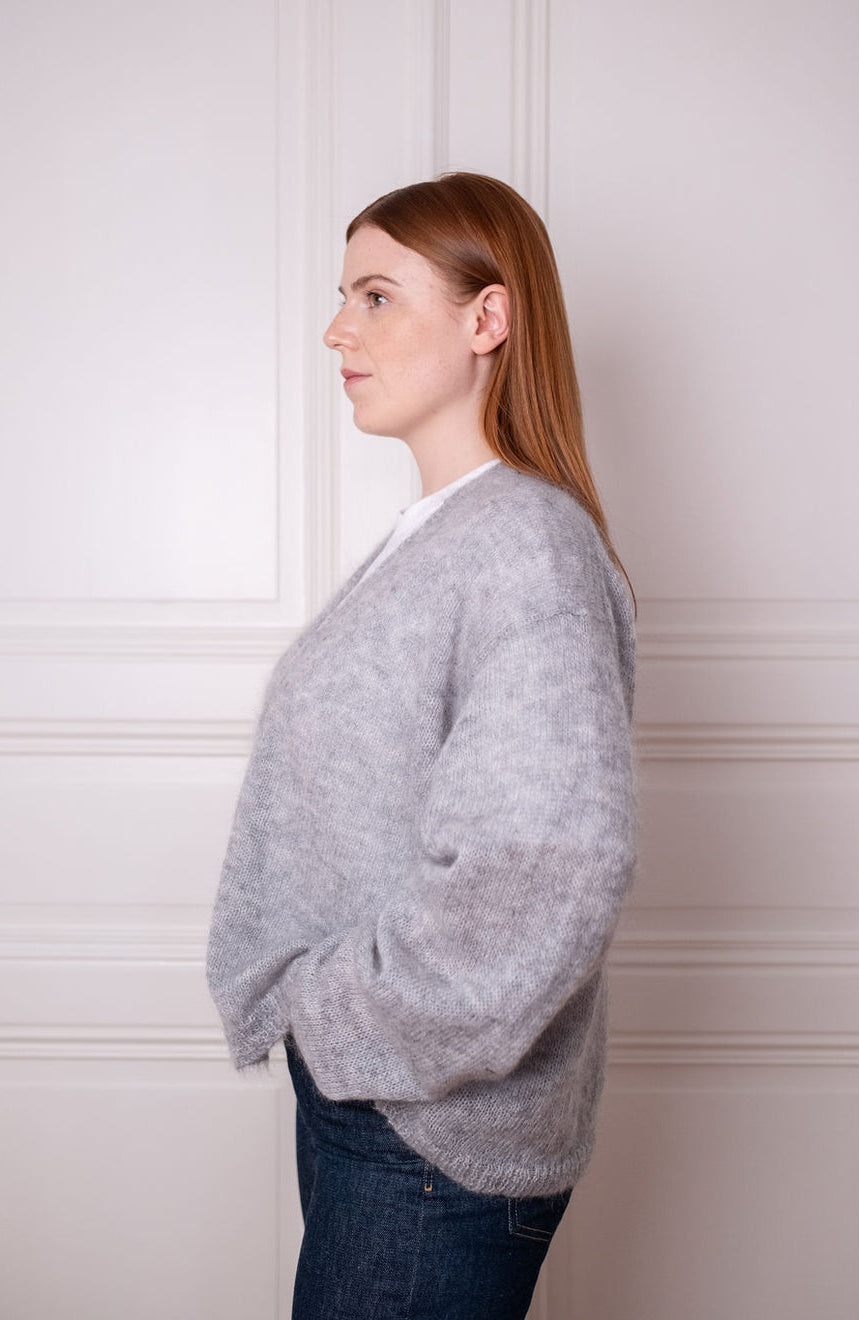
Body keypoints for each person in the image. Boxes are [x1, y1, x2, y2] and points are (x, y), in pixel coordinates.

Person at [206, 170, 638, 1320]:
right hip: (389, 1111)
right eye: (342, 296)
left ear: (485, 318)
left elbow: (553, 859)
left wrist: (340, 1018)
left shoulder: (523, 544)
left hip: (427, 1142)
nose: (338, 331)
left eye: (377, 296)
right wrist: (332, 1037)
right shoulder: (442, 535)